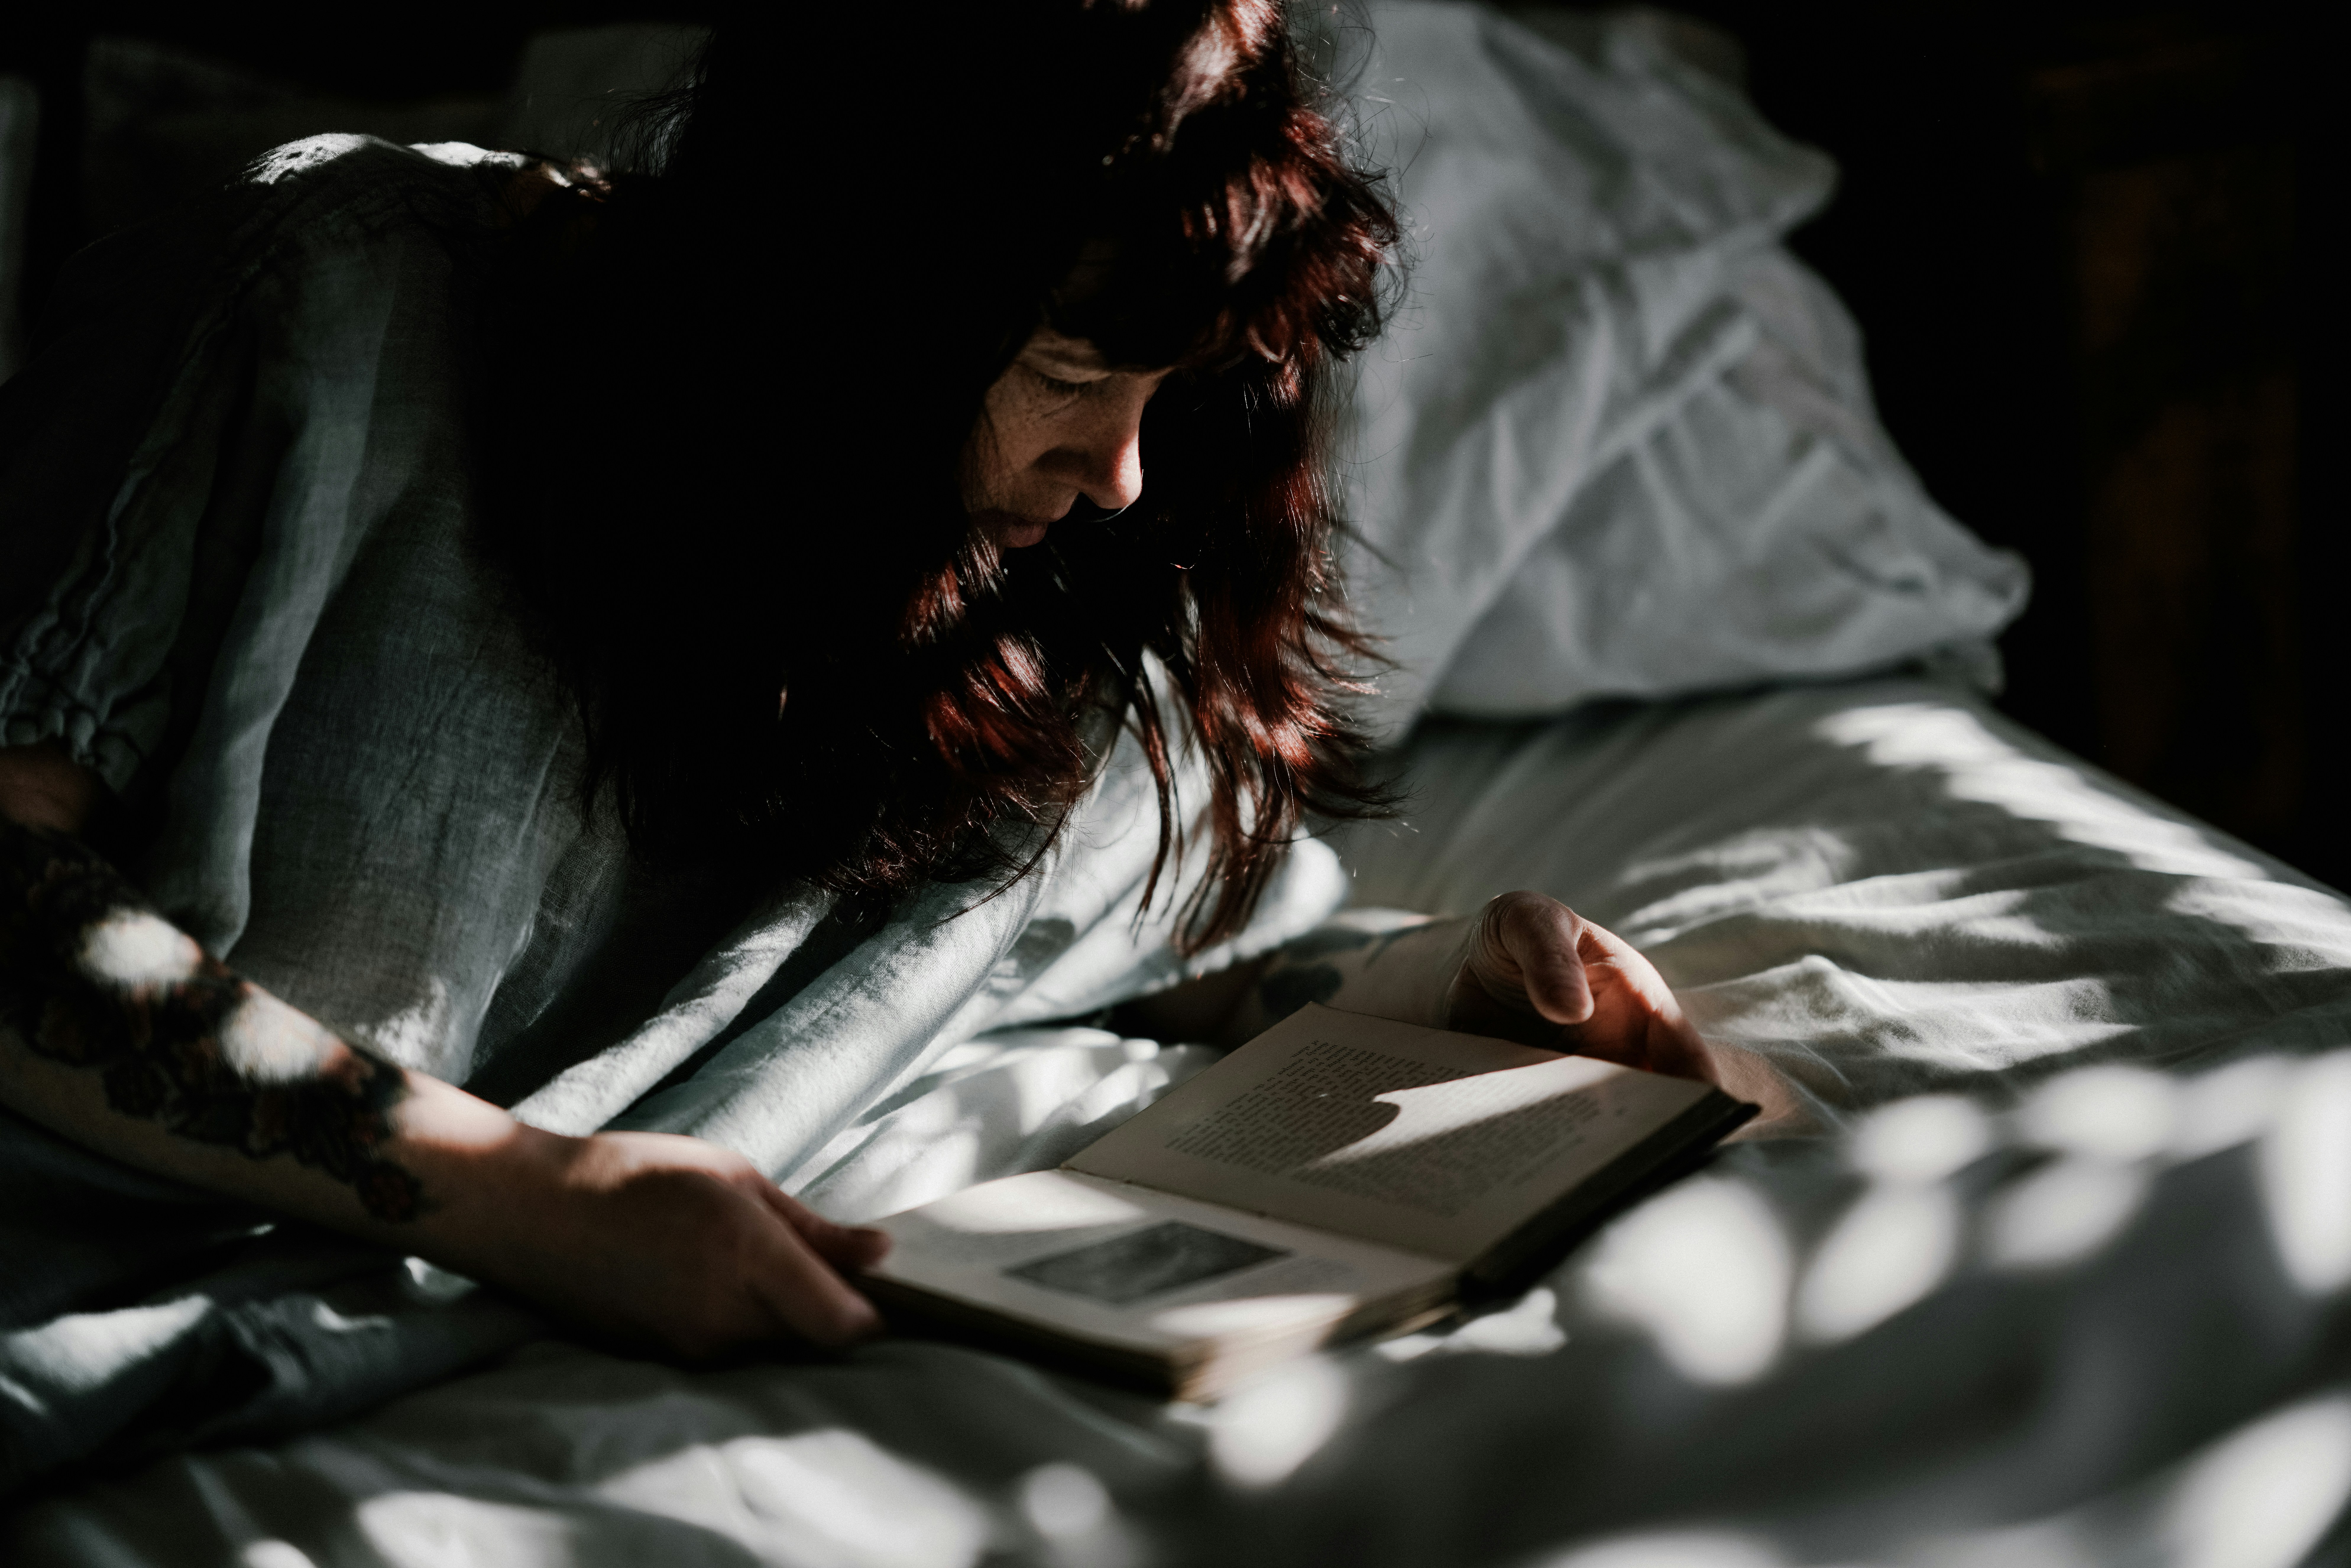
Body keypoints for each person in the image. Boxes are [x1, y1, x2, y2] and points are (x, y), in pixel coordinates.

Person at [0, 0, 1709, 1370]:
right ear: (861, 297)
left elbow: (1112, 943)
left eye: (1164, 388)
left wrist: (1452, 989)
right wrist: (529, 1197)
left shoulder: (1031, 576)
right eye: (1070, 375)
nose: (1121, 471)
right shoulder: (318, 302)